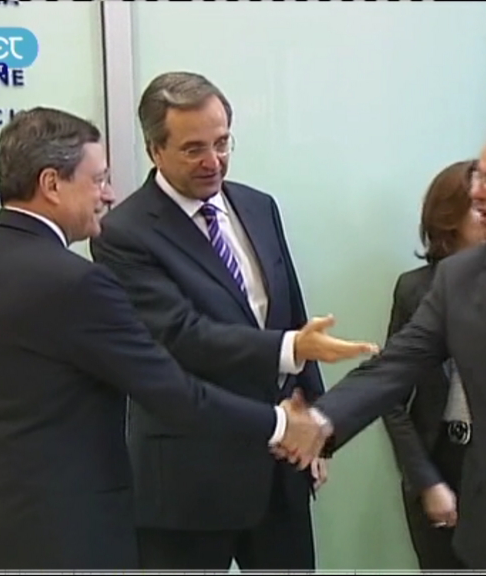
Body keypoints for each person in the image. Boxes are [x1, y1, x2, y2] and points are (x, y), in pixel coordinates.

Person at [0, 107, 328, 570]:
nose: (108, 194)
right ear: (51, 184)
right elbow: (170, 391)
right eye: (98, 179)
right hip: (69, 537)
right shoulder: (77, 283)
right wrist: (280, 424)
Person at [88, 71, 376, 572]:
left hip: (280, 470)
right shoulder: (122, 234)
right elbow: (180, 336)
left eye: (222, 143)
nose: (213, 161)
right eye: (193, 149)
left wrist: (314, 424)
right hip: (190, 482)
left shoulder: (258, 206)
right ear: (155, 150)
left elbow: (291, 314)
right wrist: (291, 347)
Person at [284, 122, 486, 570]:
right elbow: (397, 365)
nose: (479, 194)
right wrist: (320, 419)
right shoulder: (457, 279)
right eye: (478, 180)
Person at [380, 158, 482, 570]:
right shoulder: (415, 289)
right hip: (441, 461)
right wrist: (426, 480)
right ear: (449, 218)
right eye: (479, 205)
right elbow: (390, 396)